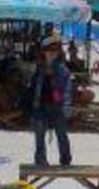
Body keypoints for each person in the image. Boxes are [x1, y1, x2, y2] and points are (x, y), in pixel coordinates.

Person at [29, 39, 73, 168]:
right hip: (41, 105)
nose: (51, 53)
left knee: (61, 133)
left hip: (57, 106)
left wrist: (67, 106)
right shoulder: (38, 68)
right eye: (48, 50)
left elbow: (67, 90)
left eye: (54, 51)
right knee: (39, 133)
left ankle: (65, 159)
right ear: (43, 52)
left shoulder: (62, 69)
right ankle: (40, 159)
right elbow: (32, 87)